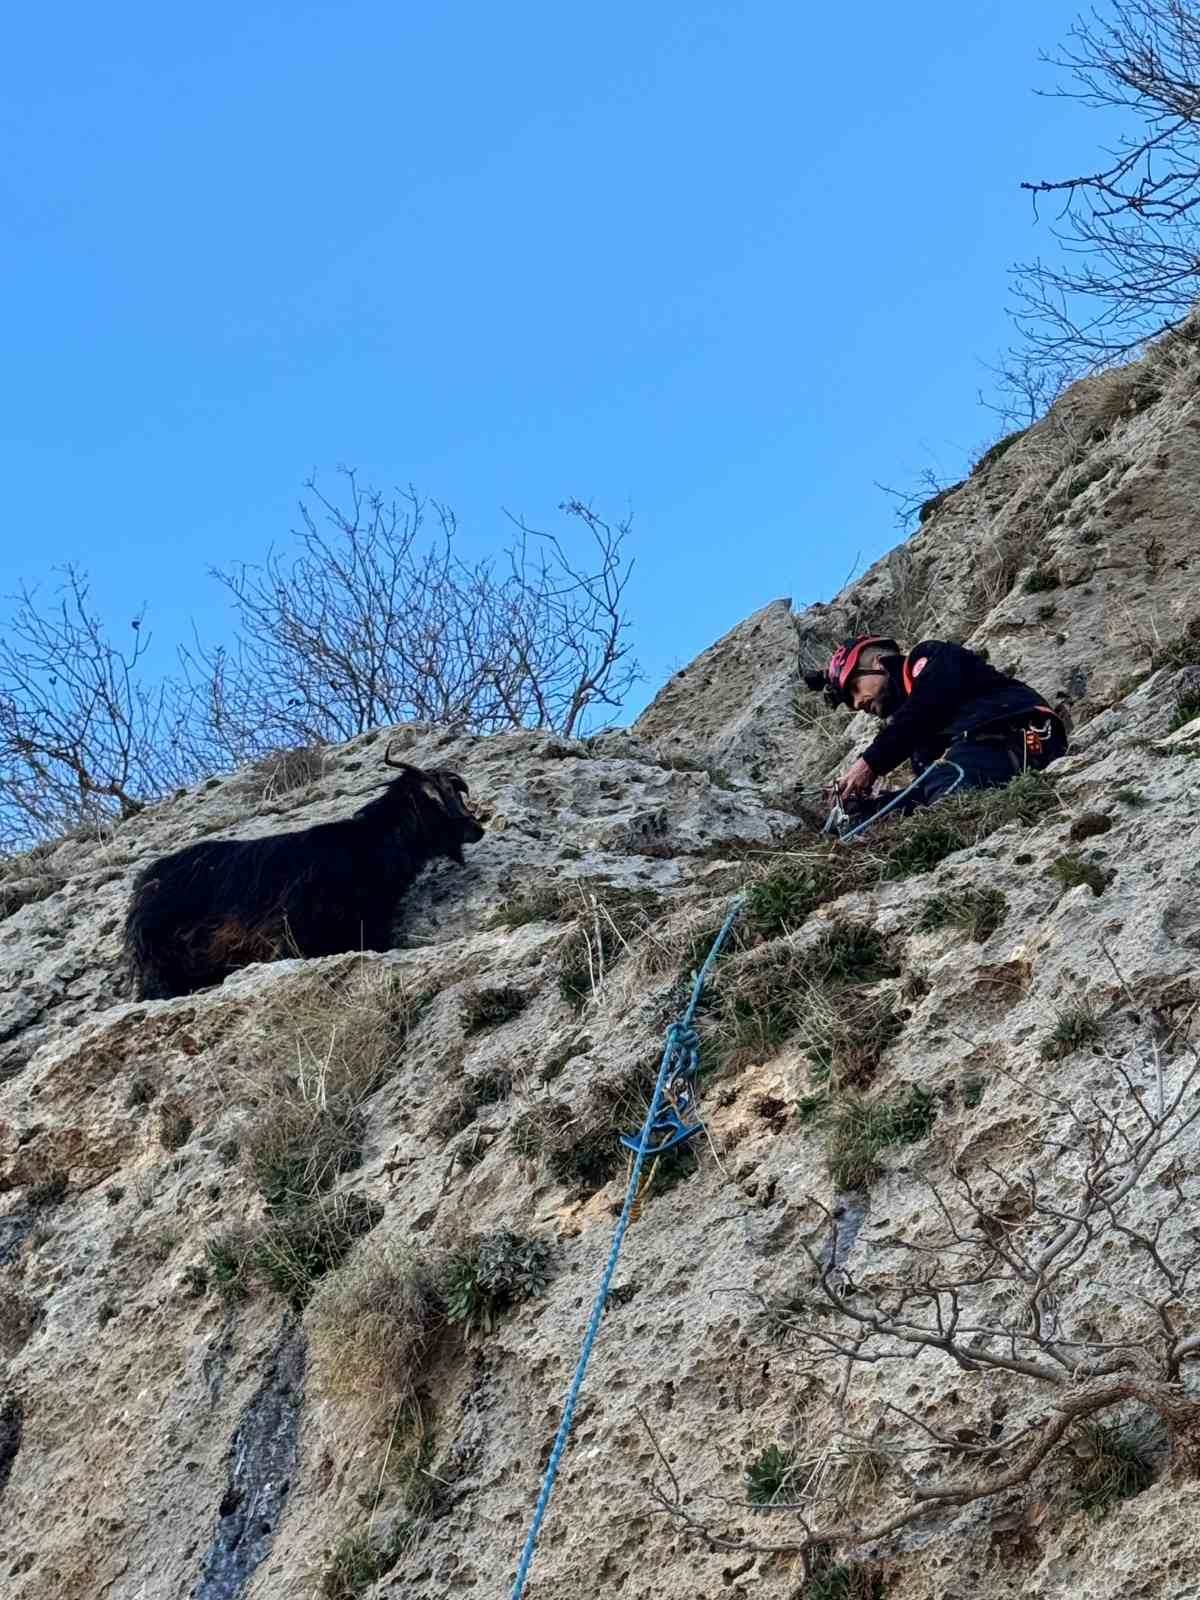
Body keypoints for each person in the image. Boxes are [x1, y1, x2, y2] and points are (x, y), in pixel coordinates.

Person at [807, 634, 1068, 814]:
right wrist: (863, 807)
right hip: (981, 758)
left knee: (947, 780)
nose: (857, 703)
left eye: (854, 687)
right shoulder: (916, 737)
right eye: (850, 702)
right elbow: (924, 785)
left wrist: (869, 764)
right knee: (897, 807)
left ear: (877, 662)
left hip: (1017, 732)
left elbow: (926, 706)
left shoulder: (932, 657)